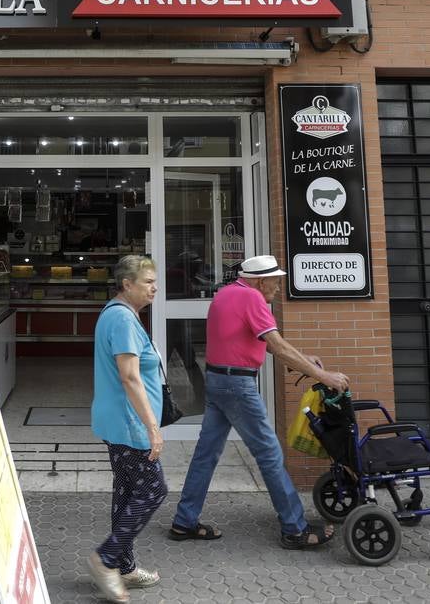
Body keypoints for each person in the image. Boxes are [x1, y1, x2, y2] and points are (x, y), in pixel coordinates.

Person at [168, 254, 350, 550]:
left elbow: (252, 340)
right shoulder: (252, 299)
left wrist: (303, 360)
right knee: (269, 454)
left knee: (206, 454)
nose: (278, 288)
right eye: (275, 282)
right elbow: (275, 345)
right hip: (238, 386)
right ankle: (295, 528)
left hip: (217, 380)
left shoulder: (226, 294)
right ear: (261, 281)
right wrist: (322, 375)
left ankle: (184, 520)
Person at [88, 254, 167, 602]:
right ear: (127, 284)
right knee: (153, 490)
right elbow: (130, 376)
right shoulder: (121, 319)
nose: (154, 287)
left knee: (127, 493)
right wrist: (152, 427)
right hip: (129, 423)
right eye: (148, 281)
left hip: (119, 421)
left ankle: (126, 566)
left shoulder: (121, 315)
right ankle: (105, 559)